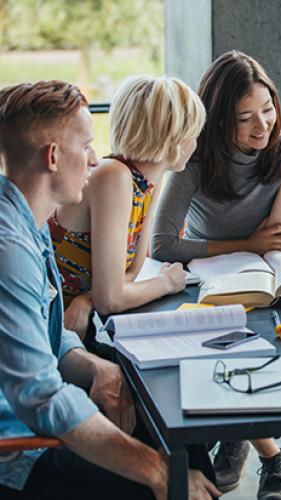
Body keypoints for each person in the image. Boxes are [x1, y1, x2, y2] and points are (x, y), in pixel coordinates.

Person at [0, 80, 220, 500]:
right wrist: (157, 472)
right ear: (52, 157)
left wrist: (94, 366)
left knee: (178, 440)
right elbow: (41, 398)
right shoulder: (9, 249)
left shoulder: (25, 219)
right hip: (20, 448)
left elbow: (45, 336)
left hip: (34, 418)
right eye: (85, 146)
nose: (93, 159)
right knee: (171, 465)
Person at [151, 50, 281, 500]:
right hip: (214, 281)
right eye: (246, 118)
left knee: (271, 336)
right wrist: (248, 243)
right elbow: (162, 244)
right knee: (222, 340)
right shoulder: (197, 158)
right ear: (220, 120)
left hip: (268, 277)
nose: (263, 126)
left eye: (268, 110)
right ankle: (270, 454)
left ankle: (246, 442)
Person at [48, 75, 206, 348]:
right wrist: (166, 283)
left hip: (74, 325)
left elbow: (132, 270)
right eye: (193, 132)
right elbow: (111, 299)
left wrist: (88, 298)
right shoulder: (114, 176)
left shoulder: (147, 182)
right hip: (48, 329)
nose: (195, 143)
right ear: (175, 138)